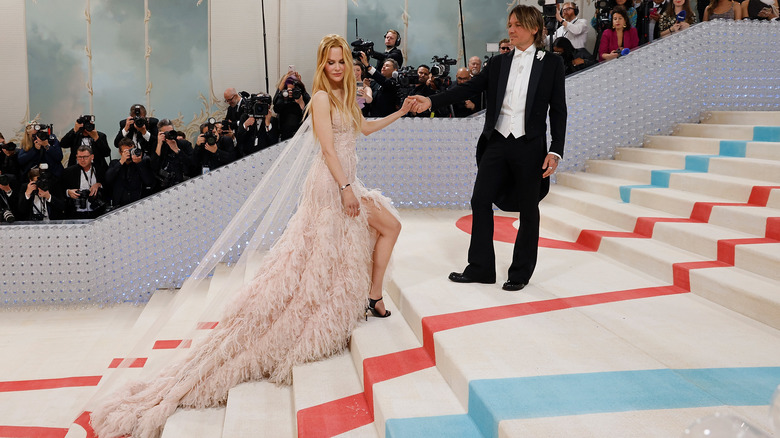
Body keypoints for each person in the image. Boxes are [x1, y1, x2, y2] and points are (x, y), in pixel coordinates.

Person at [90, 34, 415, 438]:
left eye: (341, 62)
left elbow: (362, 130)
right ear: (321, 65)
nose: (336, 67)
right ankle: (369, 298)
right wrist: (346, 189)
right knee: (318, 256)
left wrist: (400, 111)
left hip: (347, 180)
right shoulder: (319, 99)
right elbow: (329, 150)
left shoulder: (346, 96)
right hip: (332, 184)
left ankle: (373, 295)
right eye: (330, 62)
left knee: (384, 229)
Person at [410, 5, 566, 291]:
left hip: (530, 146)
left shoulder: (552, 64)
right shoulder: (498, 63)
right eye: (509, 24)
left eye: (517, 24)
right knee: (480, 200)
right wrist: (432, 101)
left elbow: (558, 110)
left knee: (528, 210)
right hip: (496, 142)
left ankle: (520, 272)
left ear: (534, 28)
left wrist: (555, 149)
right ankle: (481, 268)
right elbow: (467, 89)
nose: (511, 29)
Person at [105, 138, 156, 208]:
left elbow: (149, 181)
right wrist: (121, 162)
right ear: (120, 152)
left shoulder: (142, 163)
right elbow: (108, 179)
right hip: (119, 205)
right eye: (126, 151)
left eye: (131, 150)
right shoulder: (114, 163)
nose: (129, 153)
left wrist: (139, 163)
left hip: (138, 203)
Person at [62, 145, 107, 219]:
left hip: (98, 212)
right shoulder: (69, 171)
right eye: (79, 157)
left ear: (92, 157)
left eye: (85, 157)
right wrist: (68, 192)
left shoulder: (100, 169)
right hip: (76, 213)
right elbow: (60, 189)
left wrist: (99, 184)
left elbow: (109, 186)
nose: (82, 160)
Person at [152, 119, 194, 191]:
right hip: (164, 187)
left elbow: (192, 164)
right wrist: (159, 144)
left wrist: (177, 150)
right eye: (166, 133)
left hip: (184, 185)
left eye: (171, 132)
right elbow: (154, 167)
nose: (169, 135)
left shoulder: (184, 144)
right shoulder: (157, 145)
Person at [273, 72, 311, 141]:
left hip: (301, 134)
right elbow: (276, 107)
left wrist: (301, 102)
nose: (291, 92)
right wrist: (282, 88)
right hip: (285, 135)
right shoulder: (283, 96)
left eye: (293, 89)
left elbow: (310, 113)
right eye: (289, 89)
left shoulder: (302, 95)